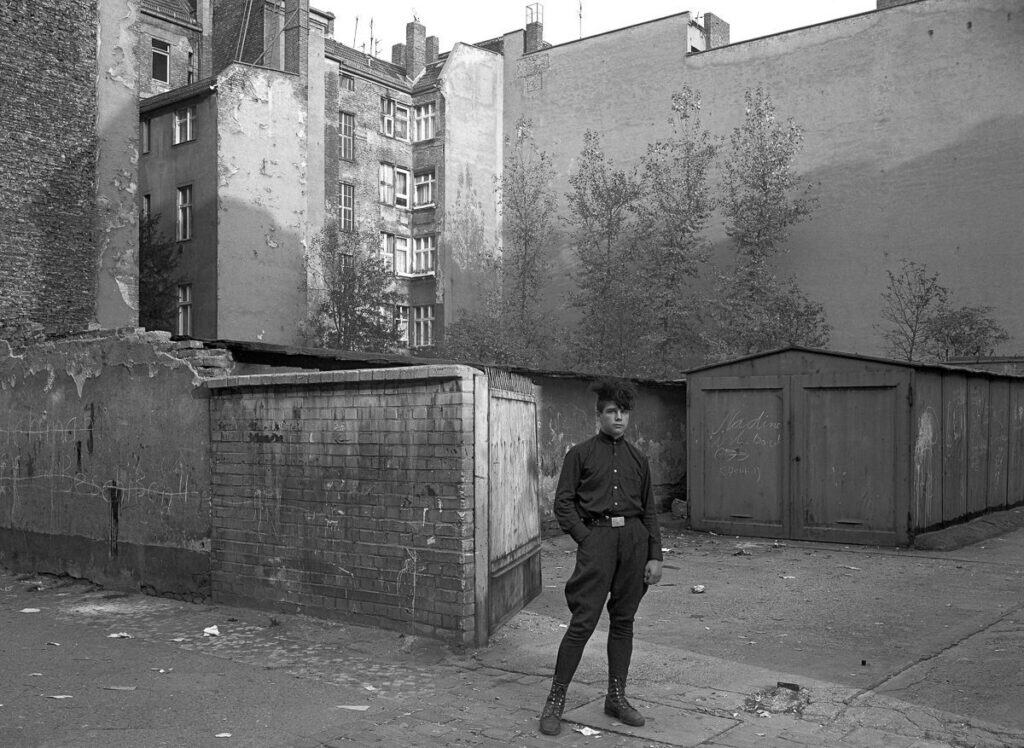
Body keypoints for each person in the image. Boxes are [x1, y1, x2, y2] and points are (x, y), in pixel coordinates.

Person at [539, 379, 663, 736]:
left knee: (624, 621)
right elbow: (563, 502)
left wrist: (655, 555)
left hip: (634, 544)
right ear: (600, 415)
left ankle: (616, 697)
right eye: (612, 411)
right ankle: (555, 701)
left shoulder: (639, 458)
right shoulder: (579, 454)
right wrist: (585, 538)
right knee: (583, 622)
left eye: (624, 412)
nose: (619, 417)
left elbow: (650, 511)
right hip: (598, 542)